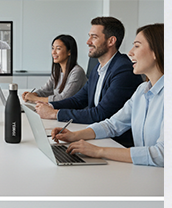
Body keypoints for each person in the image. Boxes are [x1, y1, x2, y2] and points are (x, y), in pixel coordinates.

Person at [51, 23, 163, 167]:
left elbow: (162, 154)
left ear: (156, 52)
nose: (130, 52)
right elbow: (113, 124)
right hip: (145, 170)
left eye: (137, 46)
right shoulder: (142, 90)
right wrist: (74, 135)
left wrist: (99, 151)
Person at [36, 16, 144, 148]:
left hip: (116, 143)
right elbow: (78, 100)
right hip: (99, 135)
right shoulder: (97, 68)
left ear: (111, 41)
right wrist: (50, 106)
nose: (88, 42)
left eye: (94, 37)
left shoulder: (123, 70)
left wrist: (55, 114)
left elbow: (101, 114)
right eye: (89, 36)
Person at [23, 35, 87, 103]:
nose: (53, 52)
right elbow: (45, 90)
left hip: (73, 109)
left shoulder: (77, 72)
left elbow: (64, 99)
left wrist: (35, 98)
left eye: (58, 49)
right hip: (60, 108)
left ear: (69, 52)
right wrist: (33, 94)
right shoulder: (57, 71)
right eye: (53, 48)